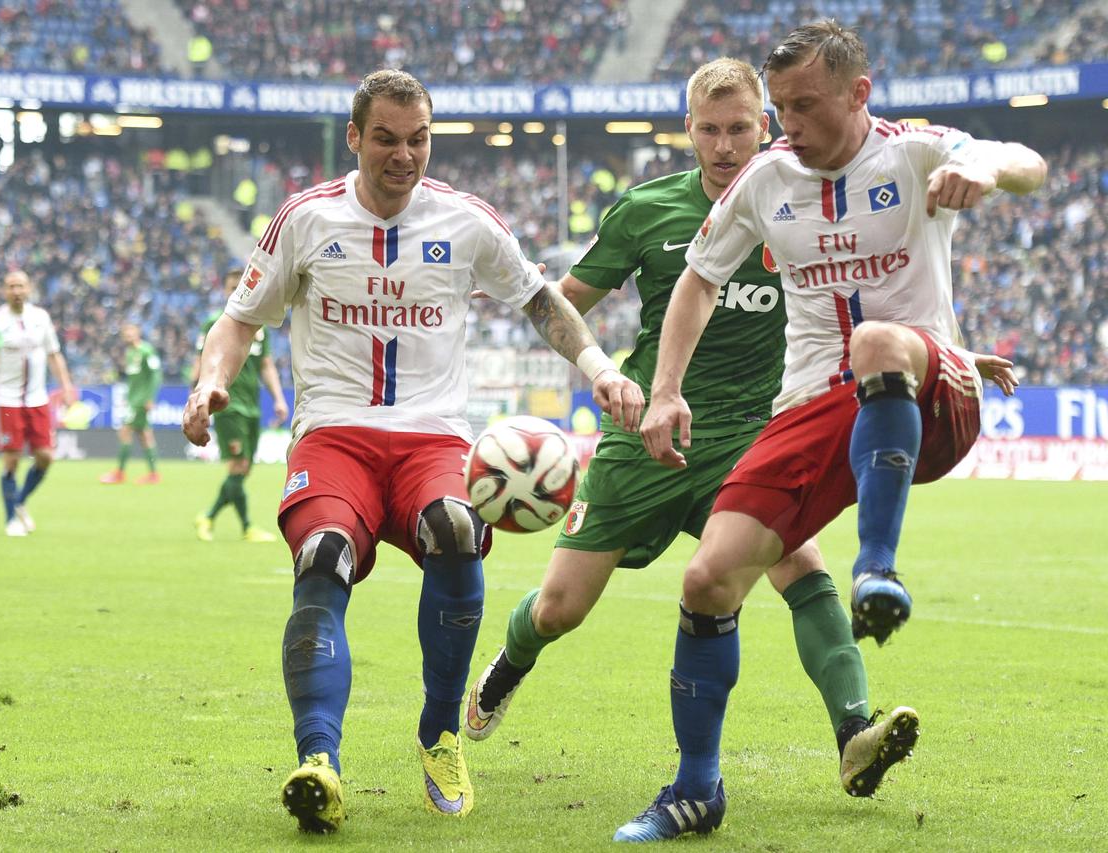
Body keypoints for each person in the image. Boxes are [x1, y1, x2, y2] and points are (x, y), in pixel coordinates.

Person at [183, 69, 643, 833]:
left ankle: (438, 734)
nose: (405, 155)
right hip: (333, 436)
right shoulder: (305, 218)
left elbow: (538, 298)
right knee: (323, 554)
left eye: (419, 139)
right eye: (388, 139)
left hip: (435, 439)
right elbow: (237, 320)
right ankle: (319, 762)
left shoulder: (466, 221)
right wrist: (208, 384)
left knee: (458, 533)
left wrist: (598, 368)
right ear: (355, 137)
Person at [628, 21, 1041, 840]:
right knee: (708, 578)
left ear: (860, 93)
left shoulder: (914, 150)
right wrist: (664, 390)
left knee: (875, 342)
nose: (788, 125)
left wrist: (978, 165)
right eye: (779, 107)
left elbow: (1022, 159)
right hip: (814, 412)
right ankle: (696, 788)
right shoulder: (765, 179)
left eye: (805, 106)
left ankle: (877, 569)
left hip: (926, 395)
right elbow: (697, 281)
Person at [465, 54, 912, 805]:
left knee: (802, 567)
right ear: (688, 132)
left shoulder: (797, 204)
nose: (726, 144)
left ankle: (854, 732)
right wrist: (539, 295)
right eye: (710, 129)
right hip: (642, 432)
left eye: (741, 127)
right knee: (559, 608)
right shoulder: (645, 211)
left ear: (765, 125)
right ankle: (509, 664)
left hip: (748, 434)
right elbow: (569, 299)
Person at [0, 270, 77, 536]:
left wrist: (65, 386)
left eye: (20, 285)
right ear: (4, 291)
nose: (16, 290)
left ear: (28, 289)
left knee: (45, 456)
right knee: (12, 460)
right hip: (5, 401)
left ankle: (18, 501)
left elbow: (54, 355)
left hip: (37, 399)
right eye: (11, 286)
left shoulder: (40, 318)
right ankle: (10, 520)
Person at [192, 268, 289, 543]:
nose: (236, 292)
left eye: (241, 286)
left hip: (252, 407)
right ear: (224, 291)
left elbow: (266, 365)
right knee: (239, 464)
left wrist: (279, 398)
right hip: (228, 405)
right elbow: (201, 362)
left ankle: (208, 517)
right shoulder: (214, 323)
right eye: (231, 287)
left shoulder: (260, 328)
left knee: (244, 468)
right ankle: (245, 526)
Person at [100, 323, 162, 485]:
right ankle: (154, 474)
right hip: (133, 399)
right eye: (126, 334)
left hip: (140, 401)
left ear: (138, 333)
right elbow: (133, 379)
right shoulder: (129, 353)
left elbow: (156, 376)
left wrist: (150, 398)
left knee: (125, 432)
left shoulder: (146, 350)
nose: (129, 336)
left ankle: (120, 473)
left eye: (131, 333)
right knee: (144, 435)